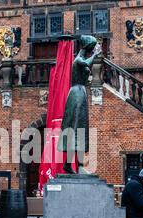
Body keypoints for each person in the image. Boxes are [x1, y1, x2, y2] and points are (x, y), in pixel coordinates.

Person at [57, 35, 102, 174]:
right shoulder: (78, 60)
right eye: (91, 47)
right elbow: (87, 63)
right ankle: (75, 164)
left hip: (81, 93)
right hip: (76, 94)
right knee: (76, 128)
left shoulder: (80, 60)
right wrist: (96, 54)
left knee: (80, 129)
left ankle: (77, 164)